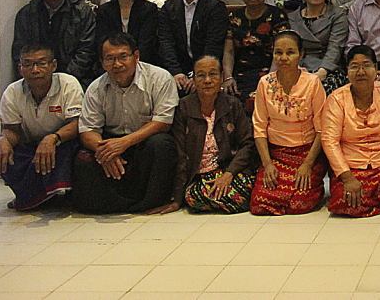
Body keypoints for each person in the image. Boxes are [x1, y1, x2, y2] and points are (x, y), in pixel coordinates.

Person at [73, 32, 179, 214]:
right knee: (83, 161)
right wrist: (104, 150)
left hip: (143, 140)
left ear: (136, 56)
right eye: (110, 59)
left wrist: (124, 143)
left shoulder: (159, 78)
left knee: (162, 144)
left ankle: (150, 203)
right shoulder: (96, 88)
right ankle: (113, 205)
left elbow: (163, 122)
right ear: (102, 62)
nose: (117, 65)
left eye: (123, 57)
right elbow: (87, 130)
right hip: (110, 142)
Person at [155, 55, 257, 214]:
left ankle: (221, 198)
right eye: (201, 75)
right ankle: (221, 200)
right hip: (200, 177)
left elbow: (247, 143)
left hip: (229, 172)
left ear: (222, 77)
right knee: (192, 197)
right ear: (194, 79)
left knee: (248, 189)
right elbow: (181, 154)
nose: (207, 80)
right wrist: (177, 198)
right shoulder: (184, 107)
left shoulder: (232, 104)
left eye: (213, 74)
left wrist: (229, 174)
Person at [321, 45, 380, 217]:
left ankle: (369, 199)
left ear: (376, 68)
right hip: (350, 168)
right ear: (347, 71)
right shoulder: (336, 99)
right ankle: (369, 198)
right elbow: (329, 141)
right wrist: (347, 177)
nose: (361, 71)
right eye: (354, 66)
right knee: (345, 202)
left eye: (367, 65)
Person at [250, 31, 328, 215]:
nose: (283, 58)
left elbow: (321, 129)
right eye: (278, 52)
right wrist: (268, 164)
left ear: (301, 55)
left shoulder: (312, 83)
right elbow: (259, 128)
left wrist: (308, 164)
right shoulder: (264, 83)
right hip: (276, 154)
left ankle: (314, 186)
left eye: (290, 52)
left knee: (299, 205)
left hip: (308, 153)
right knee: (259, 204)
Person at [0, 46, 83, 210]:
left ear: (53, 65)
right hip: (31, 145)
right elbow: (11, 130)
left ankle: (59, 196)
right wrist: (4, 139)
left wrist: (53, 138)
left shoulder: (68, 84)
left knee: (70, 152)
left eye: (41, 63)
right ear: (20, 68)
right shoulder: (12, 92)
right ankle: (30, 197)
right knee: (5, 154)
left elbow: (77, 123)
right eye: (28, 64)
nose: (35, 70)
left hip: (63, 141)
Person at [12, 0, 97, 85]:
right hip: (36, 79)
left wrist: (63, 80)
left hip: (75, 79)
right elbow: (20, 51)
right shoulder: (27, 13)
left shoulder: (82, 11)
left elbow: (87, 51)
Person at [158, 0, 230, 93]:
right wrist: (176, 72)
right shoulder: (168, 7)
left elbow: (213, 45)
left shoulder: (215, 7)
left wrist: (199, 74)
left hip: (207, 70)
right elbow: (166, 43)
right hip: (177, 72)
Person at [224, 0, 289, 106]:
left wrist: (270, 80)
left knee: (258, 98)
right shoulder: (234, 17)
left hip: (268, 72)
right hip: (239, 72)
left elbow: (280, 52)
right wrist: (228, 76)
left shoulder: (277, 16)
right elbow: (229, 51)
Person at [288, 0, 350, 93]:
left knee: (321, 90)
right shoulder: (292, 18)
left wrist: (322, 71)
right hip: (298, 67)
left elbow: (335, 47)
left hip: (328, 68)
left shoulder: (337, 15)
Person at [95, 0, 160, 67]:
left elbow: (146, 46)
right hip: (112, 65)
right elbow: (102, 43)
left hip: (142, 65)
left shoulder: (149, 10)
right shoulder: (104, 10)